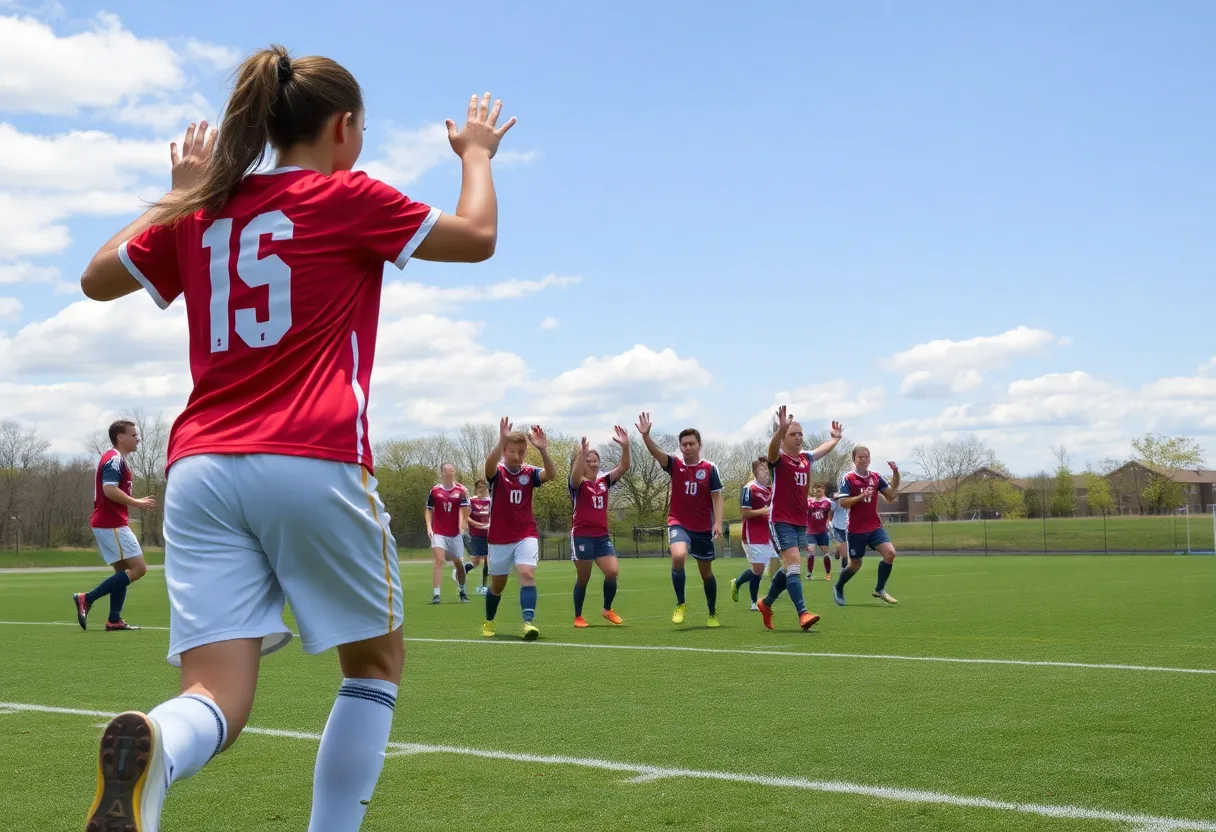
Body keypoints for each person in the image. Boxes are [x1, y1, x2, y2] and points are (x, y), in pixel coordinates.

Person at [77, 42, 515, 832]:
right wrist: (477, 154)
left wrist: (178, 196)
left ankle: (160, 751)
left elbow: (96, 276)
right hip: (309, 457)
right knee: (375, 664)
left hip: (200, 468)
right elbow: (478, 234)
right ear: (344, 127)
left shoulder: (206, 209)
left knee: (215, 693)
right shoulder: (345, 197)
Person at [635, 412, 724, 627]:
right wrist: (646, 437)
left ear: (699, 445)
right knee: (678, 556)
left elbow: (718, 497)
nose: (687, 448)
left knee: (706, 573)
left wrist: (718, 522)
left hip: (702, 527)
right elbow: (657, 453)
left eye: (691, 444)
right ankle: (680, 604)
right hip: (678, 522)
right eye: (683, 444)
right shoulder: (674, 464)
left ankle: (712, 612)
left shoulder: (710, 468)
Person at [756, 407, 841, 631]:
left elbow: (823, 449)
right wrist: (779, 430)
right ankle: (803, 614)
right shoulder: (778, 458)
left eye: (800, 433)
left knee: (790, 567)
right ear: (784, 439)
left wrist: (835, 439)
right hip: (780, 520)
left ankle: (766, 603)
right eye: (793, 434)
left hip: (799, 521)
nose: (799, 437)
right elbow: (771, 449)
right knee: (794, 563)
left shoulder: (805, 458)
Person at [72, 419, 156, 632]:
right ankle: (87, 598)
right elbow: (109, 489)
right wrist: (137, 502)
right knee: (139, 569)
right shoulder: (114, 459)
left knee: (123, 573)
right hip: (112, 524)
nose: (138, 439)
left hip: (107, 523)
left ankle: (114, 619)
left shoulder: (116, 459)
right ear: (121, 436)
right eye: (134, 435)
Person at [482, 418, 557, 640]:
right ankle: (489, 620)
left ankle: (528, 623)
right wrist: (500, 440)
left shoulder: (529, 472)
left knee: (526, 573)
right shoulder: (497, 473)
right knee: (497, 586)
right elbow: (488, 465)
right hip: (499, 538)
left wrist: (543, 450)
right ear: (505, 450)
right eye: (512, 451)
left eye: (521, 452)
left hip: (525, 533)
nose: (516, 456)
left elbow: (551, 474)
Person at [568, 427, 631, 627]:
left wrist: (626, 446)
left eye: (595, 460)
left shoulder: (604, 481)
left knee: (612, 572)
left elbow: (624, 466)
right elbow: (575, 476)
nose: (593, 464)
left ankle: (607, 609)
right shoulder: (577, 484)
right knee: (583, 578)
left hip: (602, 537)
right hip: (582, 536)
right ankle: (578, 615)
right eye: (589, 461)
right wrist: (580, 455)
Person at [834, 446, 902, 606]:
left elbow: (891, 496)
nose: (864, 460)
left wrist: (896, 474)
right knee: (855, 565)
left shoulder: (876, 477)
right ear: (854, 460)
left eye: (867, 457)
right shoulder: (848, 478)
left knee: (890, 553)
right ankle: (838, 587)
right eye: (860, 457)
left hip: (875, 527)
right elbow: (843, 502)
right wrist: (860, 497)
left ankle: (879, 589)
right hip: (856, 529)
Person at [731, 457, 776, 611]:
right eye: (762, 469)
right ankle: (745, 593)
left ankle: (752, 597)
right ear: (755, 472)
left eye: (767, 469)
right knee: (758, 569)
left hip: (768, 534)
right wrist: (765, 510)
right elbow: (745, 514)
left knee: (762, 569)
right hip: (753, 534)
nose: (765, 472)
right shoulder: (749, 488)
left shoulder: (771, 489)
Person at [425, 462, 471, 603]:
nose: (448, 472)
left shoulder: (461, 491)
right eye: (445, 470)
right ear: (442, 473)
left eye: (451, 470)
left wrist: (462, 525)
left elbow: (465, 511)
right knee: (439, 560)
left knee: (459, 565)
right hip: (439, 533)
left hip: (455, 535)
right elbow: (428, 509)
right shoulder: (435, 491)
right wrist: (429, 527)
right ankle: (436, 595)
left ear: (454, 471)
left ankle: (462, 591)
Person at [465, 479, 491, 595]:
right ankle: (461, 571)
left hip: (490, 535)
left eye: (483, 486)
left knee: (487, 560)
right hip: (476, 534)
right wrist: (478, 524)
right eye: (479, 487)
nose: (481, 489)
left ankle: (484, 587)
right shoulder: (472, 501)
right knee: (476, 562)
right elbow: (467, 516)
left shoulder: (491, 501)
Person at [806, 483, 834, 581]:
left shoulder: (828, 502)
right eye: (815, 488)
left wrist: (829, 525)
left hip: (822, 531)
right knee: (811, 551)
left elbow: (829, 516)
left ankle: (828, 573)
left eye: (819, 488)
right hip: (811, 531)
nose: (816, 490)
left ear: (823, 489)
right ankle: (809, 573)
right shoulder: (809, 501)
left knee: (826, 553)